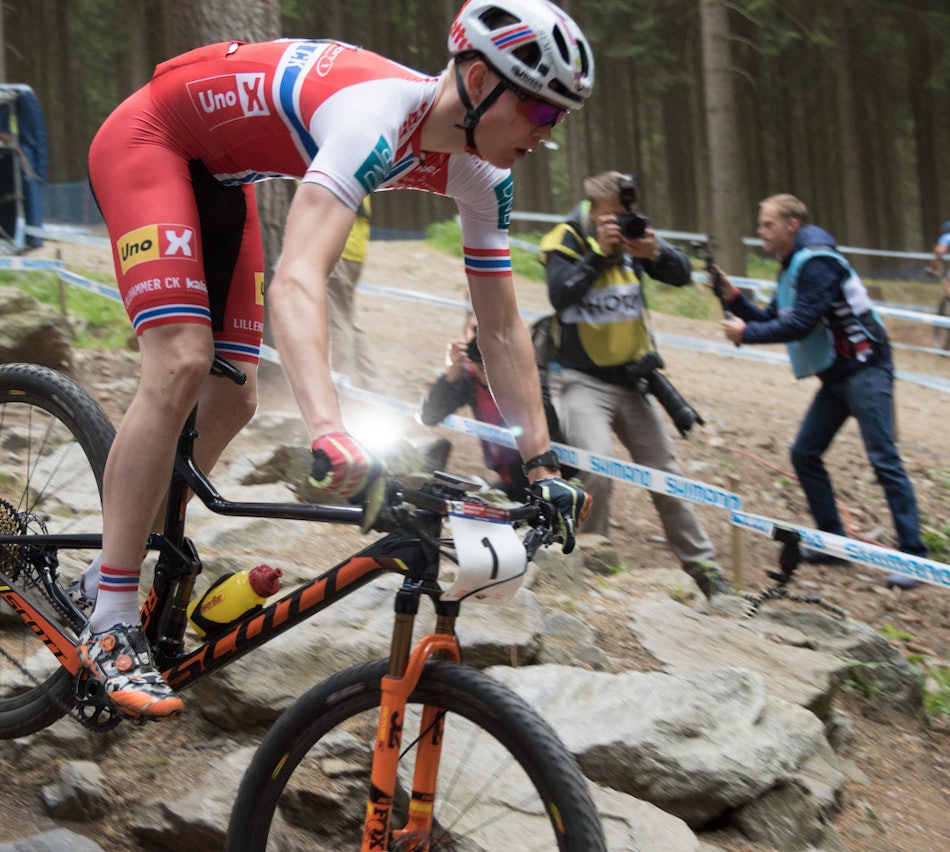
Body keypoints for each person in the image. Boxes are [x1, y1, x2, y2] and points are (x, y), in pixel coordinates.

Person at [78, 0, 596, 721]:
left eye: (560, 120)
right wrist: (328, 426)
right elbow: (298, 278)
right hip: (150, 140)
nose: (549, 135)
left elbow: (504, 331)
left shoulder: (483, 175)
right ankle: (107, 618)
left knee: (234, 397)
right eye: (542, 113)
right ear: (478, 80)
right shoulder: (373, 119)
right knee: (181, 364)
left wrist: (543, 465)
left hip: (225, 177)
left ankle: (114, 554)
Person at [716, 193, 927, 589]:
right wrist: (734, 298)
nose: (760, 231)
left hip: (867, 369)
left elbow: (800, 323)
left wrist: (746, 334)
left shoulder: (817, 262)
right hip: (837, 376)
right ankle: (833, 542)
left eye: (767, 225)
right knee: (804, 454)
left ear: (791, 225)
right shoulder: (793, 264)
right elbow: (772, 317)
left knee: (884, 460)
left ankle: (916, 557)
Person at [538, 171, 724, 596]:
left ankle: (705, 571)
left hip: (632, 380)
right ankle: (588, 560)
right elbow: (559, 295)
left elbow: (680, 275)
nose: (624, 222)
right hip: (581, 379)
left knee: (665, 473)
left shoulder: (634, 239)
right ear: (595, 209)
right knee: (597, 469)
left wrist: (654, 251)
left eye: (629, 214)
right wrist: (599, 254)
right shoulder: (566, 238)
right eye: (616, 215)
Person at [419, 313, 531, 500]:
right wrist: (452, 374)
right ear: (465, 339)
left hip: (538, 482)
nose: (482, 338)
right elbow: (428, 417)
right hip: (510, 482)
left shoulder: (528, 375)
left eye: (490, 331)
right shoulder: (470, 379)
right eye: (476, 331)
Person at [326, 195, 378, 385]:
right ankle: (373, 382)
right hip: (354, 252)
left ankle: (343, 385)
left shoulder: (322, 165)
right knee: (346, 319)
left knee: (336, 322)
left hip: (336, 248)